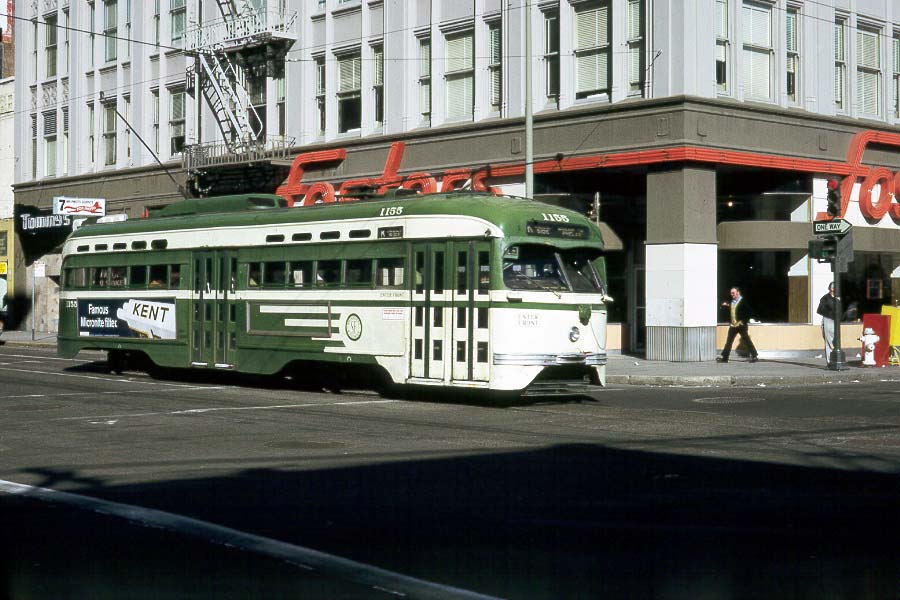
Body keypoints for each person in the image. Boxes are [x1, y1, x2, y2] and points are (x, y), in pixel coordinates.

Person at [718, 286, 758, 363]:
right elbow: (731, 312)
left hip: (741, 325)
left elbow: (749, 312)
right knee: (729, 341)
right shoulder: (731, 302)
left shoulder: (743, 301)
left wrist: (743, 321)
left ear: (738, 293)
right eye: (731, 293)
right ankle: (725, 357)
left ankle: (754, 355)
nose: (732, 294)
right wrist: (724, 306)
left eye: (733, 293)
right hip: (733, 325)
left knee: (747, 340)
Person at [817, 282, 837, 363]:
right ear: (830, 289)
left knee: (836, 341)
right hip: (828, 320)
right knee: (829, 342)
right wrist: (831, 313)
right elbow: (820, 310)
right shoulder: (825, 298)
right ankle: (830, 362)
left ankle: (835, 360)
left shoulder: (838, 298)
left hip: (836, 321)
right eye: (833, 287)